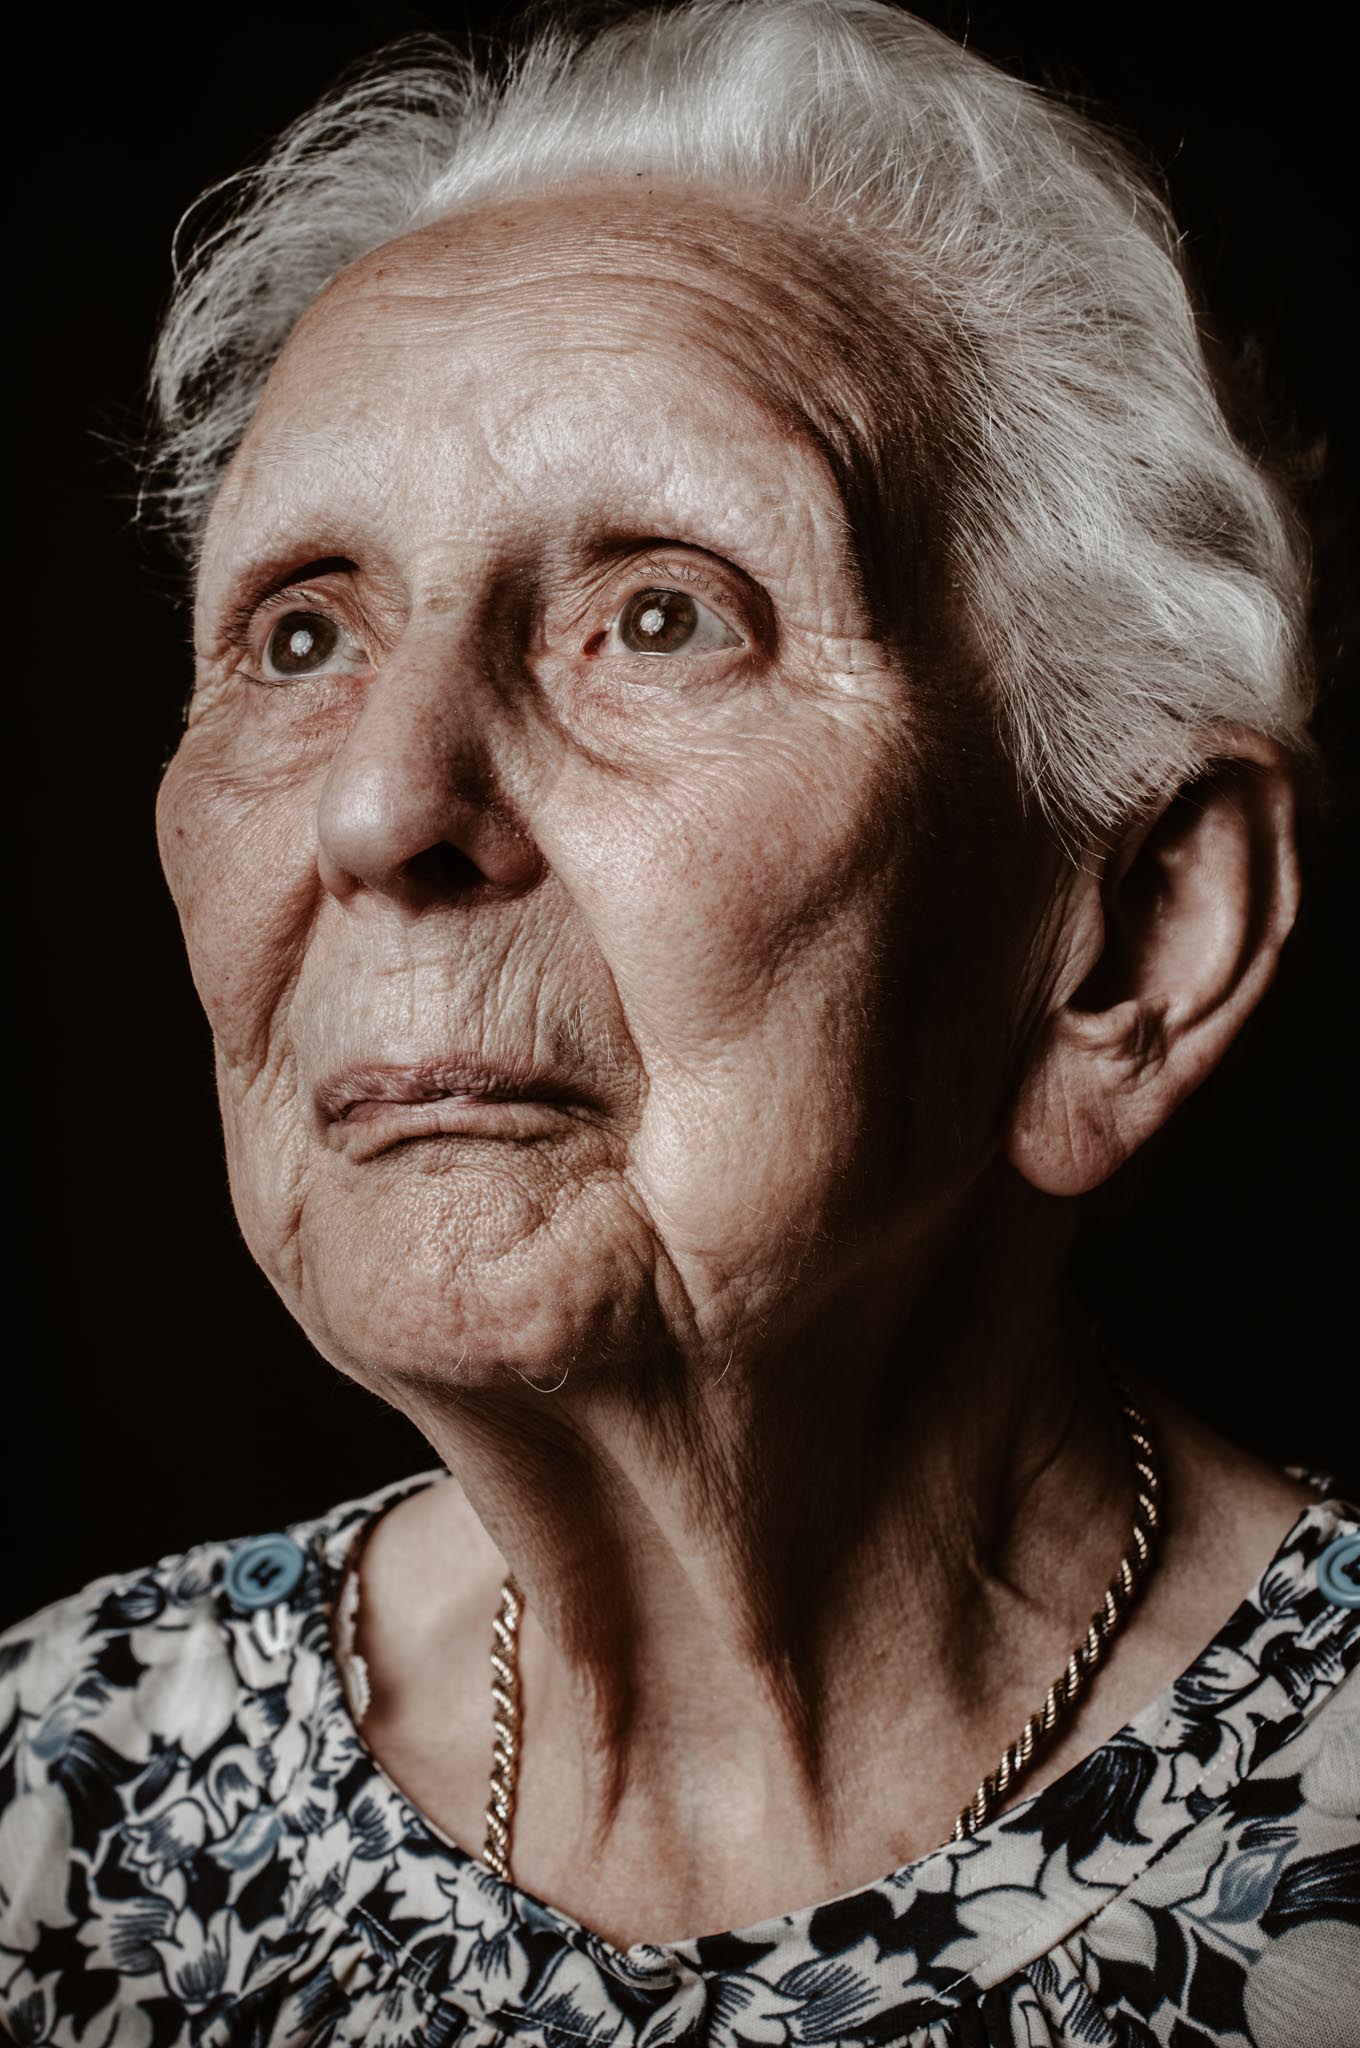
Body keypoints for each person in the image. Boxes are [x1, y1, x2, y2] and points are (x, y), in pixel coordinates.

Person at [2, 1, 1356, 2041]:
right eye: (299, 635)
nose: (382, 808)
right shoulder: (51, 1804)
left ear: (1128, 944)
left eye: (659, 613)